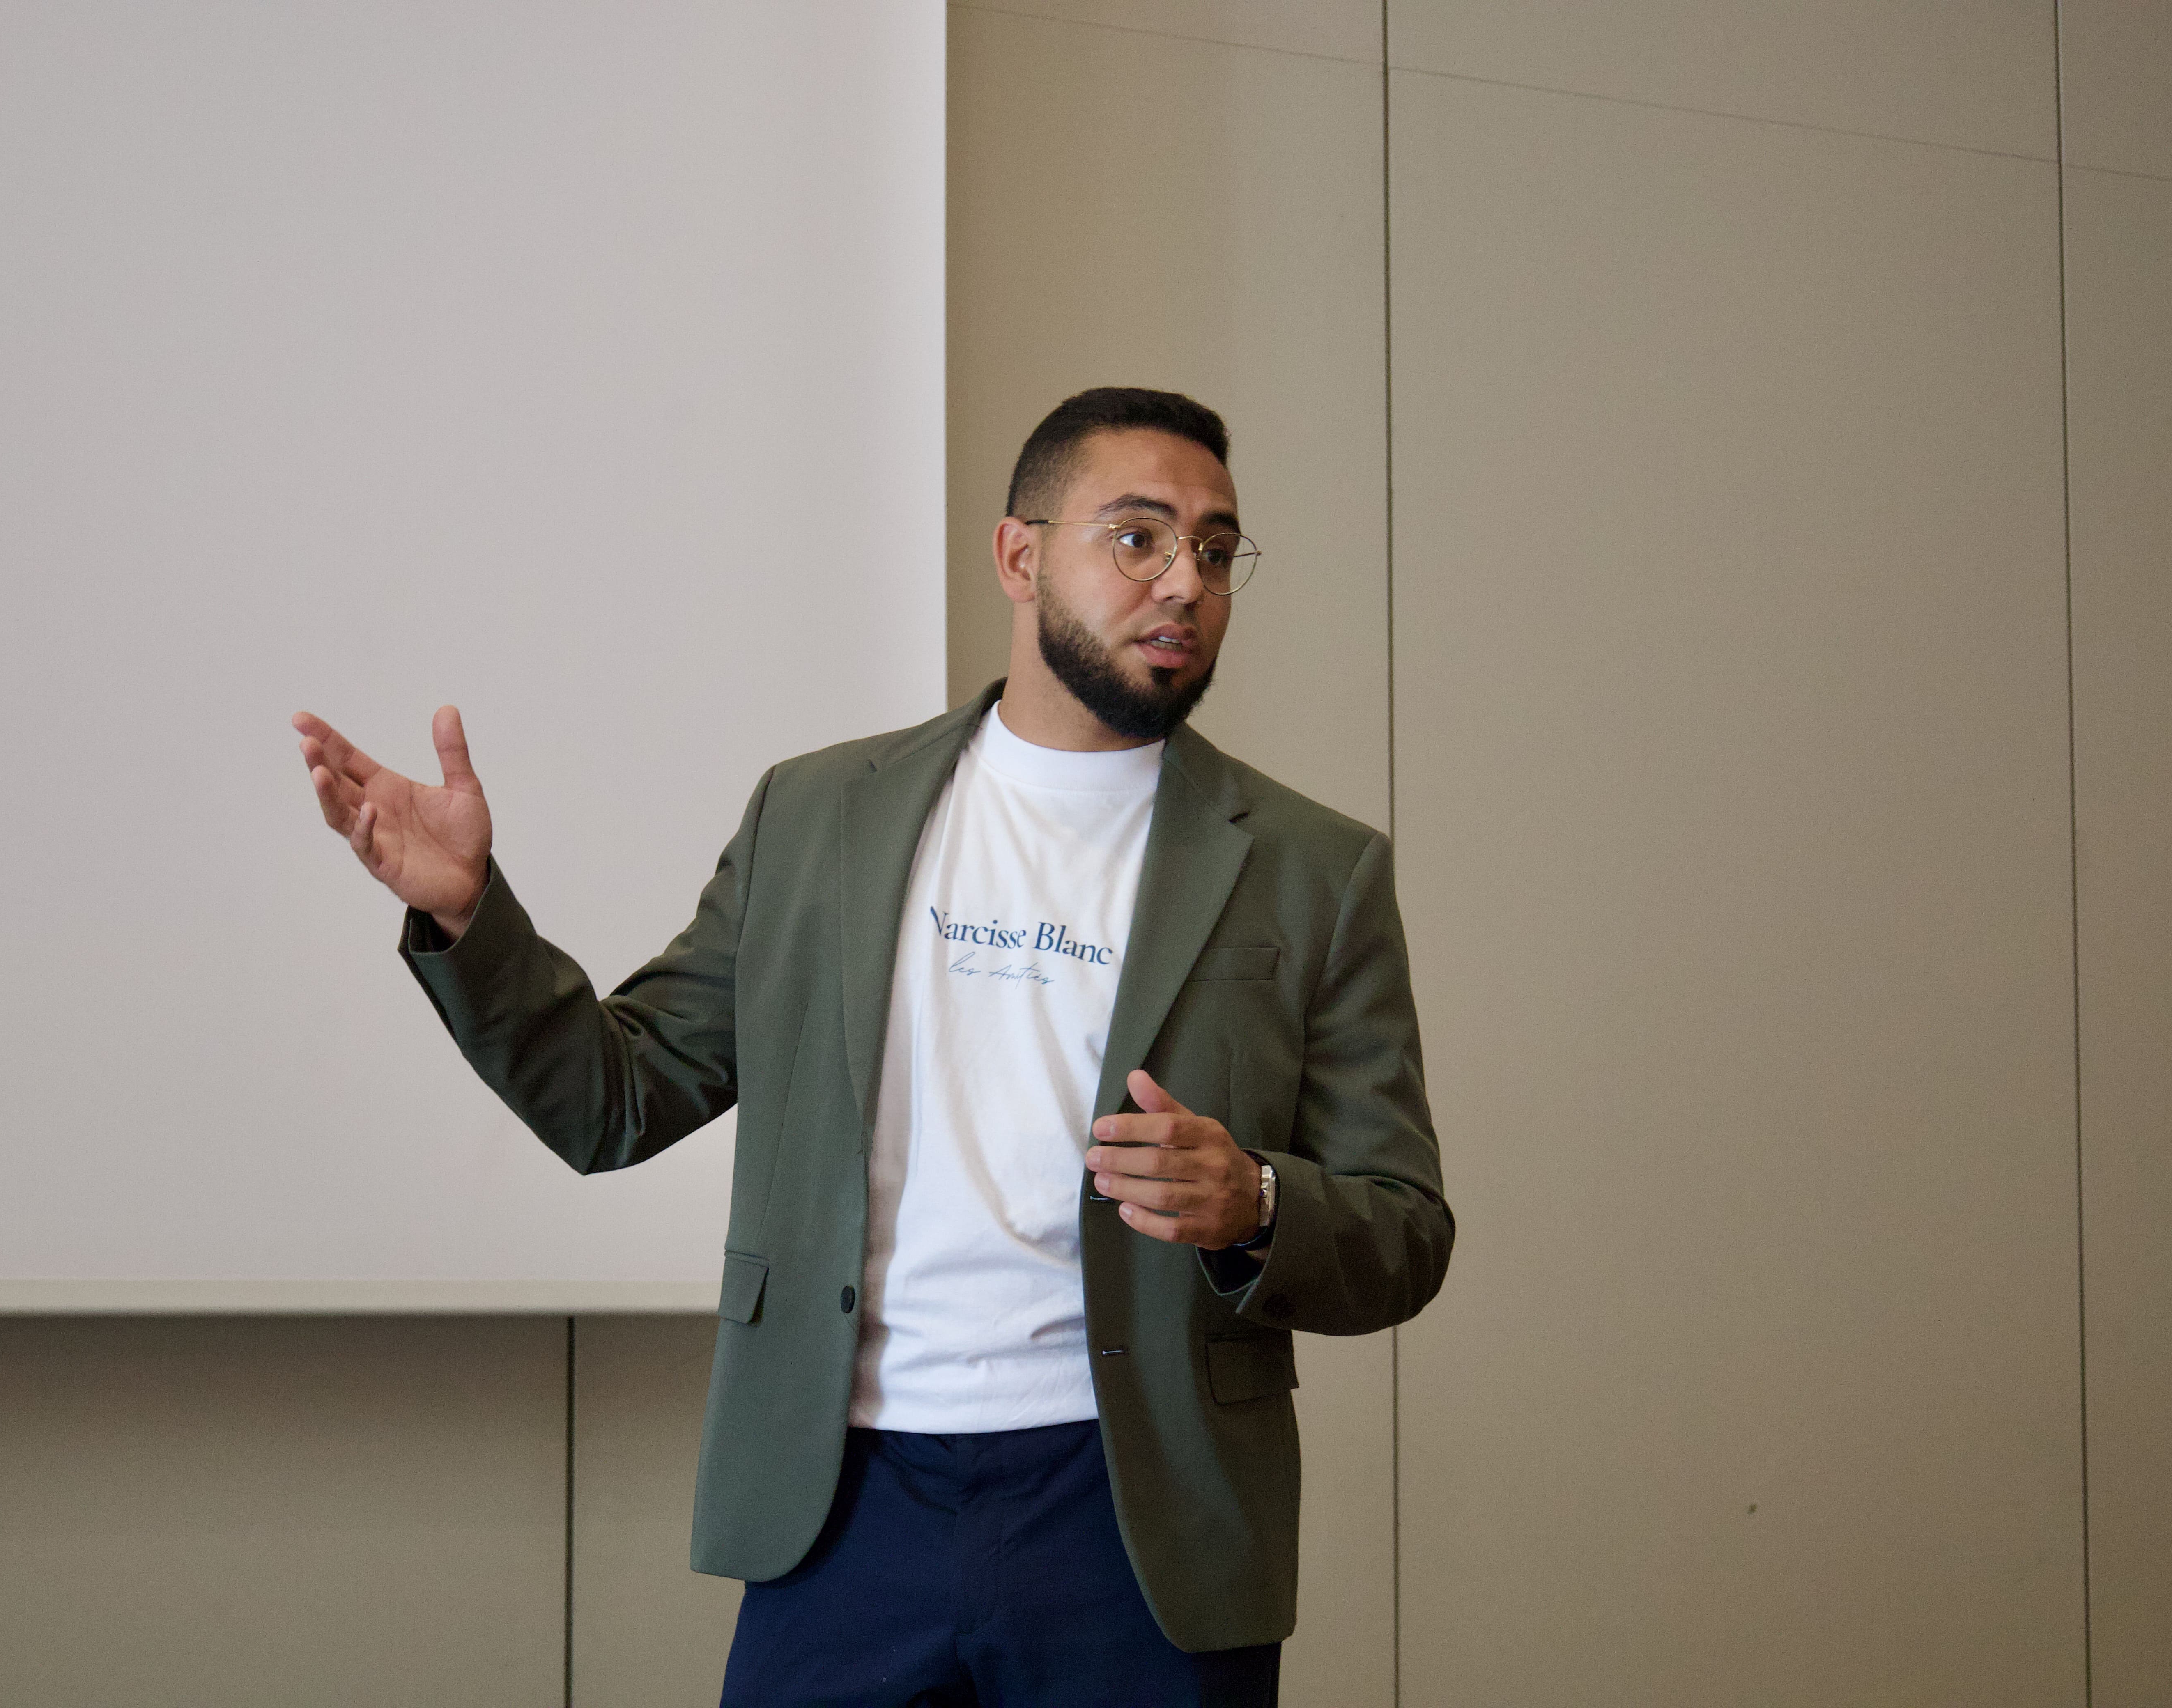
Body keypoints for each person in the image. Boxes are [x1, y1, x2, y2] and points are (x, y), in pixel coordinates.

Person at [294, 387, 1452, 1707]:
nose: (1183, 582)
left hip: (1137, 1513)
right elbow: (613, 1100)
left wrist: (1252, 1202)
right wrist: (467, 916)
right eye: (1137, 538)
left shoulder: (1314, 871)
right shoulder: (819, 816)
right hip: (844, 1503)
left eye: (1213, 548)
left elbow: (1405, 1232)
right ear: (1020, 556)